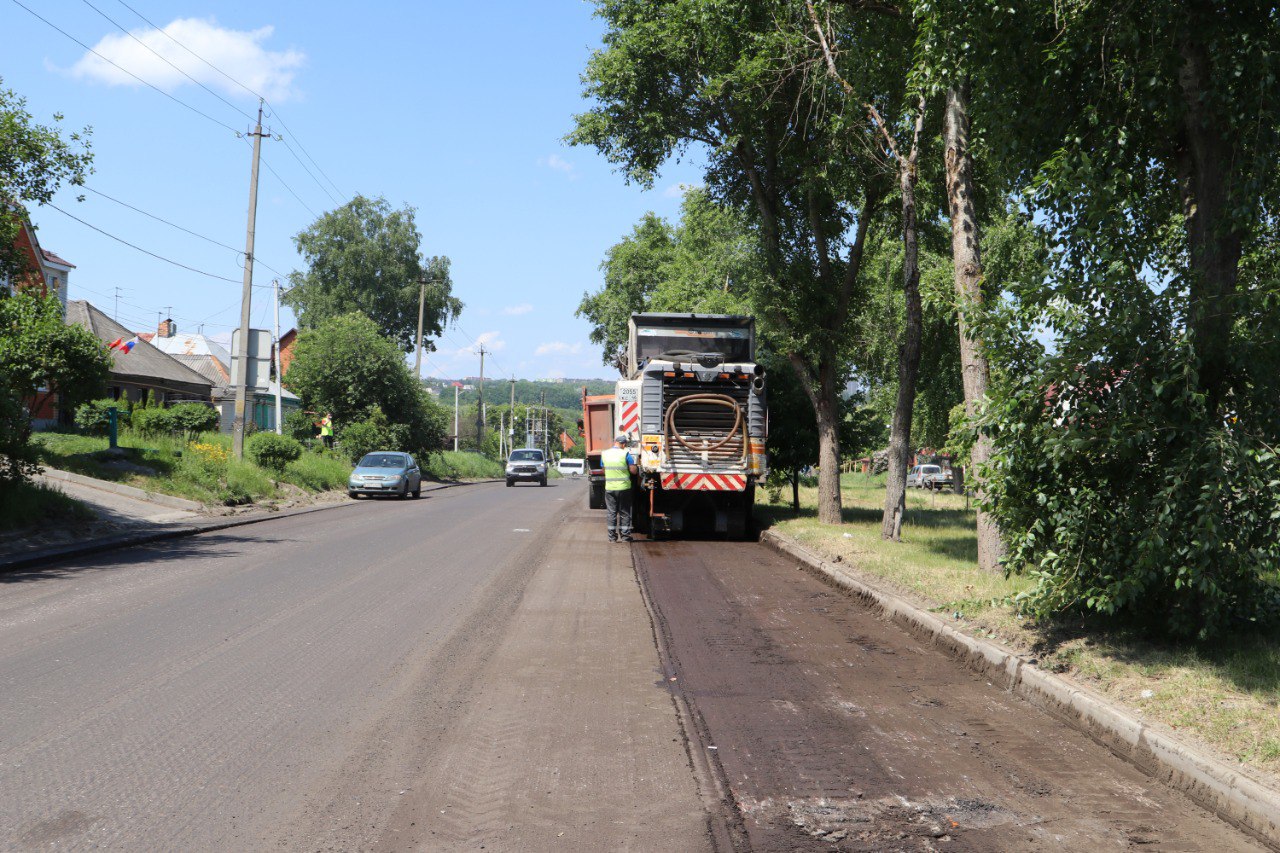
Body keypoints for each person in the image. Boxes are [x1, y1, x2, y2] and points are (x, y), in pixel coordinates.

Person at [601, 434, 637, 542]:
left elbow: (604, 470)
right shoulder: (625, 454)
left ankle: (612, 537)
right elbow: (633, 471)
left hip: (610, 488)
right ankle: (625, 536)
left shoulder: (605, 454)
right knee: (624, 512)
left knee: (611, 513)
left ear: (615, 442)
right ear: (624, 444)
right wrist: (635, 467)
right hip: (623, 488)